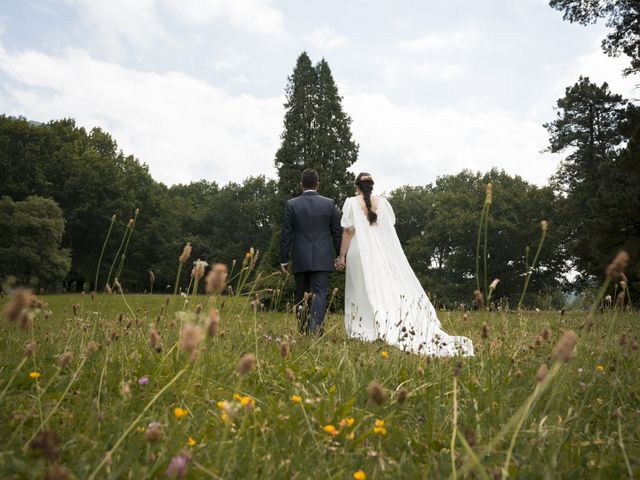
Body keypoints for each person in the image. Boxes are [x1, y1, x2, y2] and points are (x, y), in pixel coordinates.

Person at [336, 172, 473, 356]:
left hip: (360, 252)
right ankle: (382, 322)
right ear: (372, 186)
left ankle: (364, 325)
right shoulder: (383, 203)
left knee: (360, 288)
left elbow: (347, 231)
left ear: (356, 187)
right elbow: (387, 227)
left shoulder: (351, 202)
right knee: (384, 288)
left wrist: (341, 256)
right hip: (380, 253)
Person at [280, 169, 342, 334]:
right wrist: (340, 255)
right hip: (322, 258)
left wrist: (284, 259)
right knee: (320, 294)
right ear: (318, 185)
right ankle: (316, 330)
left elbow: (286, 234)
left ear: (301, 185)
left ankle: (303, 330)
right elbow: (337, 232)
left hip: (300, 257)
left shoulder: (291, 204)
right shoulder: (329, 204)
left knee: (301, 295)